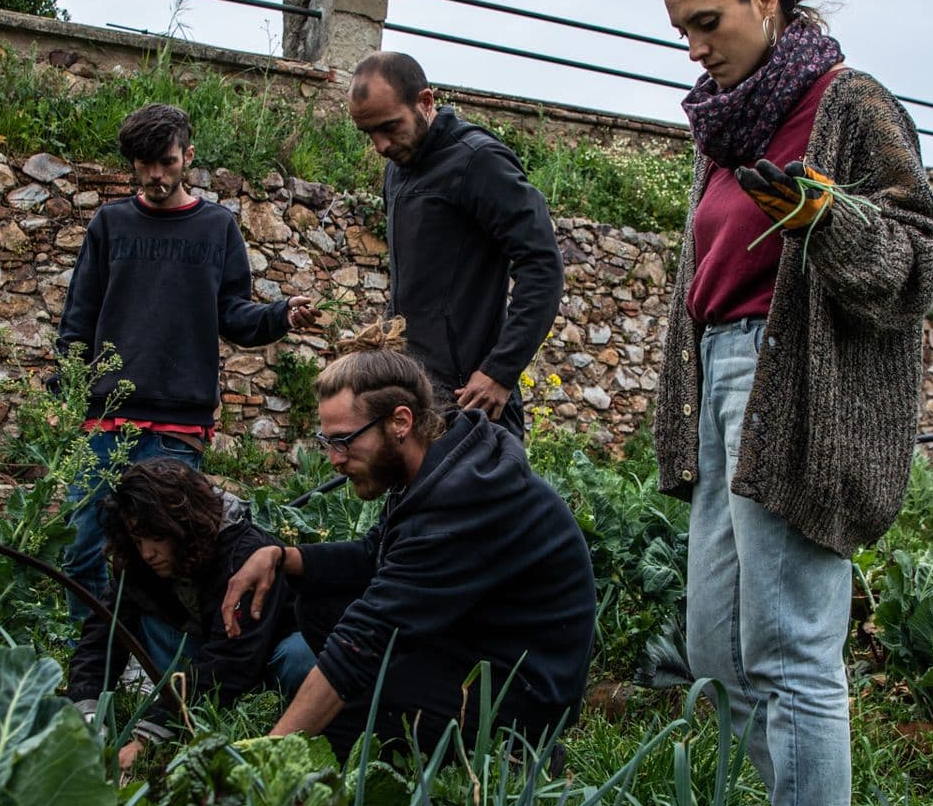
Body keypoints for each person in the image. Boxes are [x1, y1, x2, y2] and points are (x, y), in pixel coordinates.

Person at [652, 0, 933, 806]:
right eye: (681, 31)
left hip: (797, 389)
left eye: (707, 23)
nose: (694, 48)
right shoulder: (728, 124)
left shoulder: (848, 104)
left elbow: (916, 257)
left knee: (791, 644)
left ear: (765, 1)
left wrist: (829, 218)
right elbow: (708, 271)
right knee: (715, 642)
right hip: (720, 377)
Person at [222, 322, 595, 757]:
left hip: (521, 693)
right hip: (474, 648)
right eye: (327, 441)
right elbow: (371, 557)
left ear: (400, 421)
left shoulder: (462, 502)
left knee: (346, 708)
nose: (334, 459)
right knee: (320, 604)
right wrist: (280, 556)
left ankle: (515, 755)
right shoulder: (435, 466)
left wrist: (267, 758)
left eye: (344, 441)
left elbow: (367, 637)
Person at [56, 102, 317, 613]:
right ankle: (85, 661)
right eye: (145, 164)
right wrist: (69, 396)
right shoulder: (109, 225)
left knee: (167, 556)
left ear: (188, 158)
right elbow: (78, 320)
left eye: (168, 163)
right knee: (81, 546)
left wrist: (283, 314)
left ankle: (147, 659)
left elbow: (236, 315)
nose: (156, 175)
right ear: (132, 163)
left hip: (178, 428)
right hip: (106, 420)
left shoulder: (216, 228)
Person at [346, 52, 564, 438]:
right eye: (369, 134)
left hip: (473, 403)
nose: (380, 145)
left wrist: (500, 370)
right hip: (416, 394)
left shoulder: (478, 161)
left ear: (425, 102)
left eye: (389, 127)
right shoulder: (398, 169)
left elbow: (542, 264)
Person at [68, 458, 316, 769]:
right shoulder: (140, 560)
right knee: (131, 616)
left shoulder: (244, 553)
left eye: (156, 536)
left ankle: (284, 708)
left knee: (299, 654)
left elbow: (232, 660)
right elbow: (104, 630)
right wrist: (87, 707)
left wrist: (148, 735)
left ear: (183, 523)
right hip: (206, 651)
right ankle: (181, 702)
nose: (147, 552)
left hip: (262, 657)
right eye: (137, 538)